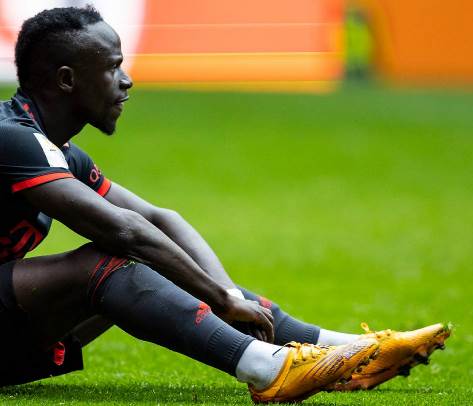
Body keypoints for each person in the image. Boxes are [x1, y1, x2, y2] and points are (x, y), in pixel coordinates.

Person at [0, 6, 450, 403]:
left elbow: (159, 219)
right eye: (112, 67)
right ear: (67, 80)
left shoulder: (55, 149)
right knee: (110, 261)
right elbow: (125, 230)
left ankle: (344, 351)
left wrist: (227, 295)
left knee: (163, 256)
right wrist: (217, 298)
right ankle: (268, 369)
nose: (127, 79)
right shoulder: (12, 138)